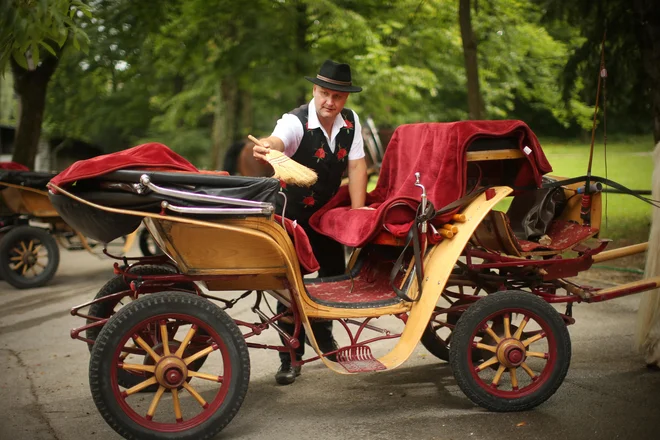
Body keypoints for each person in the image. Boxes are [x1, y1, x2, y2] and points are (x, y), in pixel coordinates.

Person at [253, 59, 368, 385]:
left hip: (327, 215)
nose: (329, 101)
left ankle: (326, 341)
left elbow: (357, 167)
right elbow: (277, 140)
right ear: (314, 90)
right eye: (323, 93)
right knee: (290, 286)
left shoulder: (351, 122)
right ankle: (290, 356)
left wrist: (356, 213)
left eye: (337, 96)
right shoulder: (294, 121)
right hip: (291, 216)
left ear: (346, 98)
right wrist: (268, 146)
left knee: (332, 278)